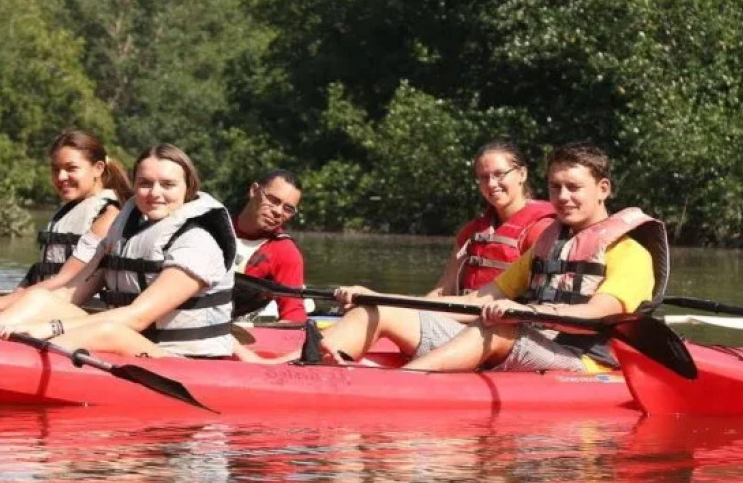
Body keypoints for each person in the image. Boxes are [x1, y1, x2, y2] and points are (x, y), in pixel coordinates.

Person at [310, 142, 667, 373]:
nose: (562, 196)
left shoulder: (629, 252)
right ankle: (311, 372)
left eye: (573, 187)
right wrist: (382, 297)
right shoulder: (549, 243)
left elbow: (599, 312)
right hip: (529, 341)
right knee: (379, 310)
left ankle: (399, 383)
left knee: (500, 327)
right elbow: (476, 300)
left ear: (603, 189)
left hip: (586, 362)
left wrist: (528, 312)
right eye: (555, 186)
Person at [0, 144, 237, 358]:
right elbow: (69, 294)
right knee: (40, 299)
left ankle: (9, 360)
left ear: (188, 187)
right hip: (132, 344)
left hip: (181, 360)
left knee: (106, 331)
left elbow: (137, 318)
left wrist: (51, 327)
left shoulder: (199, 240)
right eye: (145, 184)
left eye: (168, 184)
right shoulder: (127, 229)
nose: (155, 193)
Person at [0, 130, 127, 313]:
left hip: (66, 311)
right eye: (56, 169)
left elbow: (62, 279)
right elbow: (37, 273)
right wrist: (8, 301)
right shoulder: (70, 210)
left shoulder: (108, 215)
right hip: (37, 301)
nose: (61, 177)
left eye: (71, 168)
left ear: (98, 168)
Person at [433, 141, 556, 296]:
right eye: (484, 177)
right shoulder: (471, 232)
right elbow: (443, 289)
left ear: (522, 174)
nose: (491, 184)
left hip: (508, 317)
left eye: (499, 174)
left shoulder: (542, 228)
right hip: (466, 314)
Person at [229, 169, 308, 324]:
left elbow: (294, 315)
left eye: (288, 209)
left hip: (241, 330)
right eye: (273, 200)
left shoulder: (286, 252)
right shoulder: (214, 228)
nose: (278, 211)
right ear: (254, 191)